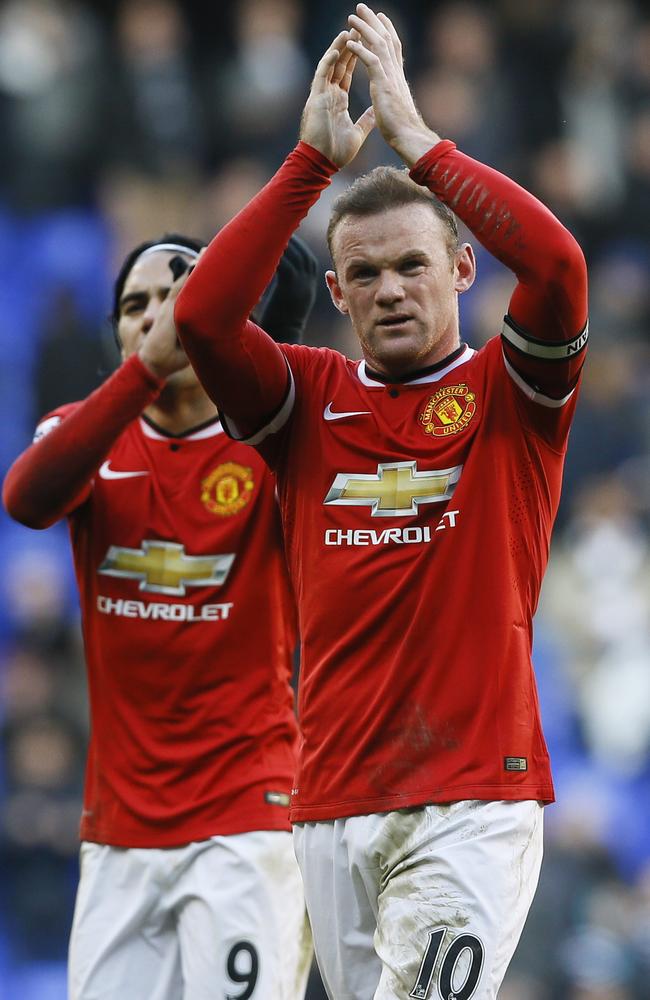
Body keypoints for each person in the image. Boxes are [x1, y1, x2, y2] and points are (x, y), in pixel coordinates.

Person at [173, 5, 589, 999]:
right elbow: (200, 315)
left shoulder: (508, 393)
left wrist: (416, 139)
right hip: (328, 804)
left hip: (467, 804)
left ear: (459, 269)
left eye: (412, 264)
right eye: (363, 273)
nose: (390, 288)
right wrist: (308, 168)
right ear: (339, 293)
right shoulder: (306, 401)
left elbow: (559, 265)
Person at [2, 233, 317, 1000]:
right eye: (134, 306)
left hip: (249, 816)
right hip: (119, 830)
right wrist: (149, 369)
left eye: (173, 299)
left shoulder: (274, 445)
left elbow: (299, 274)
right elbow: (25, 500)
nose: (154, 318)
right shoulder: (80, 437)